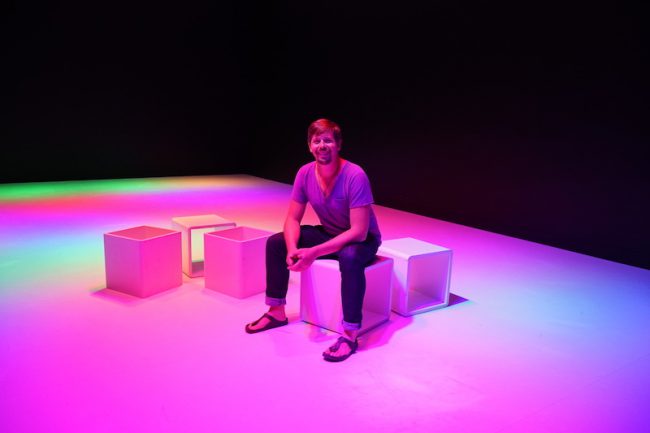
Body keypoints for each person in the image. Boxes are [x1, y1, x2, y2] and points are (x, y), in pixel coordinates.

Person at [245, 118, 382, 362]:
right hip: (330, 233)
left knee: (350, 256)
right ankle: (276, 312)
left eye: (328, 140)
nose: (322, 145)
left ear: (338, 145)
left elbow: (359, 232)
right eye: (317, 141)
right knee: (276, 243)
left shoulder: (355, 175)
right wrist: (292, 249)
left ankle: (350, 334)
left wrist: (314, 252)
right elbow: (292, 219)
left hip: (362, 241)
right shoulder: (305, 173)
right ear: (309, 146)